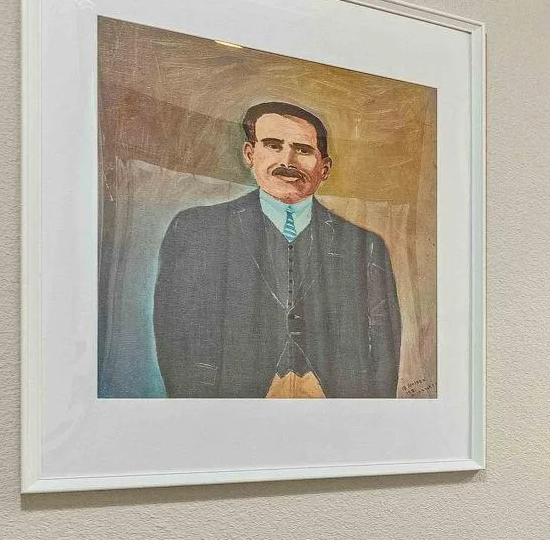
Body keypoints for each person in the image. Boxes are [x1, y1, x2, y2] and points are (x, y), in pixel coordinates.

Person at [153, 101, 401, 398]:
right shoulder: (196, 229)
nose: (288, 160)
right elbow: (173, 331)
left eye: (303, 150)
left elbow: (385, 345)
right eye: (273, 145)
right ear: (250, 154)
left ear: (325, 168)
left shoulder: (365, 245)